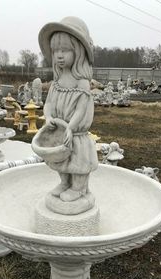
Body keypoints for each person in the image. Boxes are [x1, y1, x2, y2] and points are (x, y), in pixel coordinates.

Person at [38, 16, 98, 202]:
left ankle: (79, 189)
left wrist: (70, 127)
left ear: (78, 51)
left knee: (78, 162)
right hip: (60, 130)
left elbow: (81, 109)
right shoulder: (57, 82)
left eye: (65, 50)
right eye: (55, 51)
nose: (59, 55)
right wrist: (48, 117)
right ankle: (65, 183)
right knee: (61, 162)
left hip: (75, 132)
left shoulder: (81, 82)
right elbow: (48, 103)